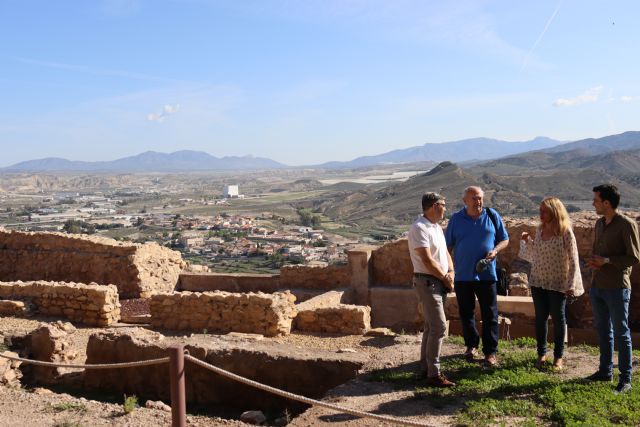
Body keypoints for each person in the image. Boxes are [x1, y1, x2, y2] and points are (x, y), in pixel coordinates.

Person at [445, 186, 509, 366]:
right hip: (463, 275)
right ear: (465, 201)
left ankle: (490, 352)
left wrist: (495, 250)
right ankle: (471, 345)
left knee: (490, 314)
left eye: (480, 198)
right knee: (466, 314)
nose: (478, 201)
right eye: (473, 198)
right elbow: (447, 247)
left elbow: (505, 239)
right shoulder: (456, 219)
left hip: (487, 274)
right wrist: (448, 270)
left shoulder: (491, 215)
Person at [586, 184, 640, 393]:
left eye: (596, 200)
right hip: (598, 285)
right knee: (603, 330)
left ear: (607, 203)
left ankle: (625, 378)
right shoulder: (600, 223)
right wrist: (595, 262)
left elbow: (634, 257)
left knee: (621, 333)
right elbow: (598, 251)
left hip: (617, 287)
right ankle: (605, 371)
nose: (593, 203)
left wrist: (606, 261)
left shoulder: (626, 224)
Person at [519, 197, 584, 371]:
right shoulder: (539, 230)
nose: (540, 214)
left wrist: (571, 284)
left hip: (557, 283)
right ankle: (541, 354)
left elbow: (574, 259)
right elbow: (535, 255)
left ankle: (558, 357)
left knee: (558, 319)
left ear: (555, 211)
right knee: (540, 319)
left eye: (544, 211)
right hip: (538, 281)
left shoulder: (565, 232)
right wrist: (528, 242)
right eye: (540, 210)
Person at [408, 192, 456, 387]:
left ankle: (424, 368)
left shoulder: (435, 227)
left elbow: (444, 253)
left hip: (438, 282)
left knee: (430, 326)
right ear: (435, 206)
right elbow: (426, 260)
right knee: (439, 326)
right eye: (443, 204)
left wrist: (451, 271)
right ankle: (434, 374)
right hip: (428, 282)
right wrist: (444, 278)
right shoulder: (419, 228)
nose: (445, 208)